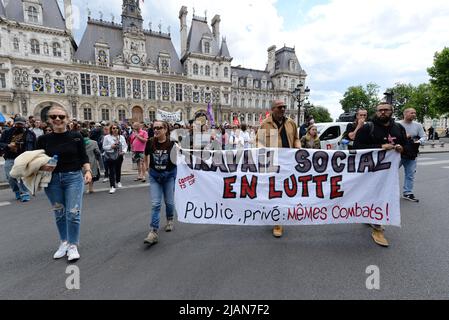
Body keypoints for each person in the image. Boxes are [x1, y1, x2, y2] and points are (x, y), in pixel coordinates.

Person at [37, 106, 92, 261]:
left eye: (61, 117)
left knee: (73, 213)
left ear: (67, 119)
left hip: (73, 177)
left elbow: (84, 157)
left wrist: (87, 171)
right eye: (54, 116)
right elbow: (36, 161)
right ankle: (64, 242)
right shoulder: (43, 140)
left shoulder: (76, 136)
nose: (58, 119)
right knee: (59, 213)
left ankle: (73, 245)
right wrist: (40, 173)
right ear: (48, 120)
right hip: (52, 180)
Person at [354, 102, 407, 248]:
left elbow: (406, 145)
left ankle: (377, 227)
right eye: (380, 110)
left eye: (386, 110)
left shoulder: (398, 128)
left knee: (383, 196)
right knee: (369, 195)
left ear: (392, 111)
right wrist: (380, 147)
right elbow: (357, 147)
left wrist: (402, 148)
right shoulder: (367, 128)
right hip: (369, 172)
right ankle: (368, 216)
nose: (382, 112)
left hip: (388, 173)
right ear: (376, 112)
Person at [256, 100, 301, 238]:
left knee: (287, 191)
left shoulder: (291, 123)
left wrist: (298, 148)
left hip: (288, 163)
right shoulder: (265, 124)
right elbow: (260, 143)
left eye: (284, 107)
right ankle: (277, 222)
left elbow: (296, 139)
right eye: (280, 107)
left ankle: (282, 215)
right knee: (275, 193)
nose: (283, 109)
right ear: (273, 109)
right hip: (272, 163)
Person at [143, 120, 177, 245]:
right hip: (155, 177)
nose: (156, 130)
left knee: (169, 202)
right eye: (154, 127)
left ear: (166, 129)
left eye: (159, 127)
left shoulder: (173, 143)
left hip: (168, 177)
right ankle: (153, 231)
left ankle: (169, 219)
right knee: (156, 204)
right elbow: (145, 154)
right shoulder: (150, 141)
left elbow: (179, 159)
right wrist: (146, 167)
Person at [0, 116, 36, 202]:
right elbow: (0, 143)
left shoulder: (30, 134)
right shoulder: (7, 132)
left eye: (21, 124)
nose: (19, 125)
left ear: (25, 124)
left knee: (23, 176)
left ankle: (24, 193)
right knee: (10, 176)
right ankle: (16, 191)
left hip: (24, 157)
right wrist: (8, 145)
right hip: (10, 157)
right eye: (18, 123)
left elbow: (34, 146)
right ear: (14, 123)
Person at [399, 108, 427, 202]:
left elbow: (424, 136)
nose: (414, 114)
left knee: (410, 174)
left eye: (415, 113)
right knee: (391, 173)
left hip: (411, 153)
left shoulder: (418, 125)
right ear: (405, 114)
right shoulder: (397, 124)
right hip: (397, 153)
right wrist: (403, 137)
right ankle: (387, 191)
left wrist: (419, 141)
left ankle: (408, 193)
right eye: (412, 113)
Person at [102, 125, 128, 194]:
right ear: (111, 129)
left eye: (117, 128)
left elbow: (125, 146)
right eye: (113, 128)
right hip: (110, 156)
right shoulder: (107, 137)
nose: (115, 129)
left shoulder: (121, 137)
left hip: (119, 156)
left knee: (118, 169)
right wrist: (111, 146)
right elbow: (104, 147)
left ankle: (118, 181)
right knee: (111, 171)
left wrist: (124, 151)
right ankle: (112, 186)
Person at [80, 129, 101, 194]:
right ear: (88, 134)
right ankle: (90, 188)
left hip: (82, 160)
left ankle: (80, 189)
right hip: (92, 160)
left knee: (81, 175)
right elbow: (98, 152)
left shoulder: (79, 142)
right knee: (90, 174)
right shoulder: (94, 142)